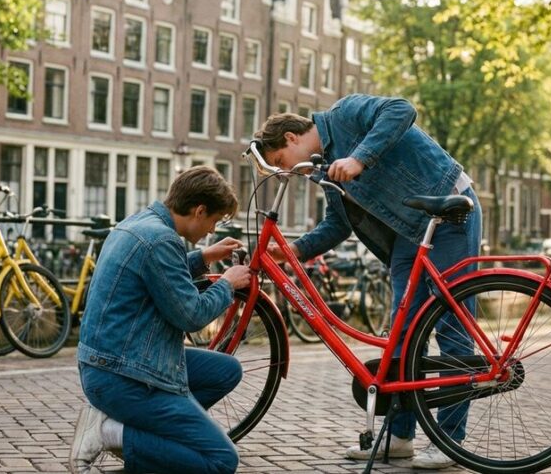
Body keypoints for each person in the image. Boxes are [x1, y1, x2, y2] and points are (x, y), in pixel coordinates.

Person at [255, 94, 482, 470]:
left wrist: (360, 158)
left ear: (292, 139)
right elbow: (338, 224)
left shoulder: (344, 114)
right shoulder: (324, 167)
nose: (287, 171)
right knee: (402, 333)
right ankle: (400, 436)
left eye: (281, 162)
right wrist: (294, 251)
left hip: (450, 208)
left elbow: (402, 110)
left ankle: (449, 440)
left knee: (451, 327)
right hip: (408, 232)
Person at [70, 166, 252, 474]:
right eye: (213, 221)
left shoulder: (142, 223)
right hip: (125, 376)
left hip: (115, 361)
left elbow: (160, 275)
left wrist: (203, 257)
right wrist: (227, 284)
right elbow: (191, 315)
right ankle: (112, 433)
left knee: (226, 370)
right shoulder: (161, 241)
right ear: (199, 210)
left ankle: (156, 440)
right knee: (221, 461)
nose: (210, 230)